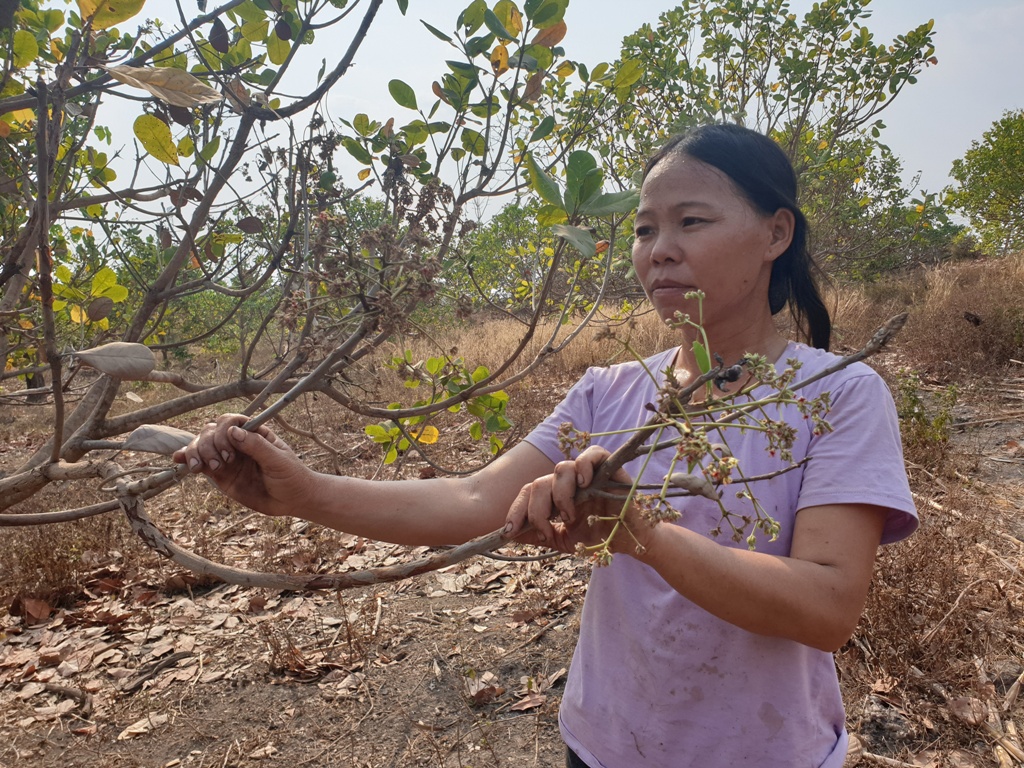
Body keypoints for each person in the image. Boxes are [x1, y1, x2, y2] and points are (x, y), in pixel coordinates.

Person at [175, 123, 917, 768]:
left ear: (775, 234)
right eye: (643, 229)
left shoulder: (837, 396)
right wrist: (309, 494)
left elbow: (826, 607)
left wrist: (642, 535)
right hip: (602, 743)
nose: (659, 250)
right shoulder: (609, 392)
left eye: (691, 221)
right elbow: (472, 497)